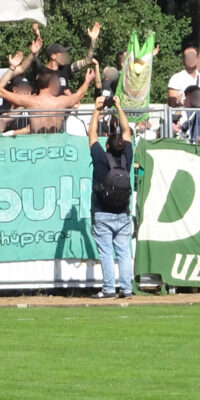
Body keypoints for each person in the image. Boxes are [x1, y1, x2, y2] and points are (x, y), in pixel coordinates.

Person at [87, 95, 135, 299]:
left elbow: (91, 134)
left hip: (102, 213)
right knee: (124, 252)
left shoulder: (100, 157)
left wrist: (97, 109)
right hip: (123, 213)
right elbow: (126, 131)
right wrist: (119, 106)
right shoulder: (127, 156)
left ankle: (108, 289)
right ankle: (126, 288)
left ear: (107, 146)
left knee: (106, 252)